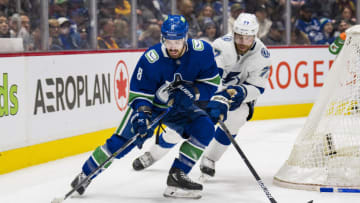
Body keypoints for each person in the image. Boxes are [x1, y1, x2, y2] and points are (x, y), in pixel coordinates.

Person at [70, 15, 220, 199]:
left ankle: (177, 177)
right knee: (122, 144)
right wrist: (142, 115)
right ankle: (86, 174)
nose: (172, 46)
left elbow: (211, 82)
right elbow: (139, 94)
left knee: (205, 128)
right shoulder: (151, 59)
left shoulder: (202, 51)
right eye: (168, 41)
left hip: (180, 108)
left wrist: (194, 92)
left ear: (186, 37)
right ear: (162, 38)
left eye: (177, 41)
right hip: (153, 108)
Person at [132, 13, 271, 182]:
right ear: (233, 33)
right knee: (184, 125)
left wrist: (238, 93)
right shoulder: (221, 45)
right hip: (212, 94)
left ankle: (210, 159)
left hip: (237, 99)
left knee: (236, 118)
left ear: (255, 36)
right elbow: (213, 77)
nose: (242, 42)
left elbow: (257, 87)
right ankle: (153, 154)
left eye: (247, 38)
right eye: (239, 37)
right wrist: (218, 97)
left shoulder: (262, 56)